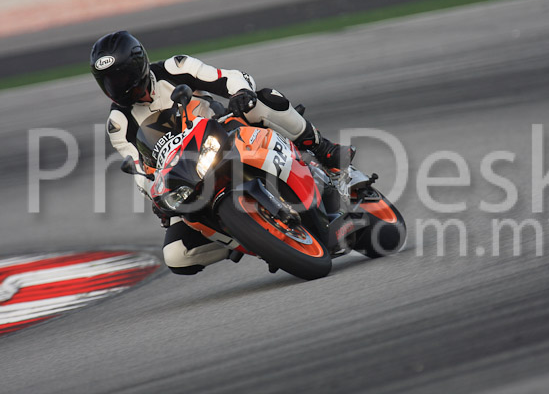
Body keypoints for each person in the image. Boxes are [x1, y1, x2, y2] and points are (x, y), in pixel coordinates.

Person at [90, 30, 354, 275]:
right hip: (185, 175)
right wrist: (156, 197)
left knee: (262, 100)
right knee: (177, 255)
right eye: (109, 82)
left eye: (122, 77)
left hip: (223, 133)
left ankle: (324, 150)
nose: (118, 87)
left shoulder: (174, 68)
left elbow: (228, 77)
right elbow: (139, 170)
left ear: (138, 66)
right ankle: (254, 239)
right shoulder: (118, 123)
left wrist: (240, 92)